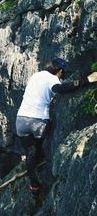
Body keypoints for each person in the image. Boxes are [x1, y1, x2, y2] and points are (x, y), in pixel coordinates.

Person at [16, 57, 97, 197]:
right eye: (62, 73)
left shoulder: (37, 75)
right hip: (38, 121)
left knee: (30, 153)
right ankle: (40, 159)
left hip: (21, 120)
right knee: (40, 143)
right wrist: (86, 80)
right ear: (58, 71)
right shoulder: (52, 79)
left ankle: (34, 186)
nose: (62, 76)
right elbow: (60, 88)